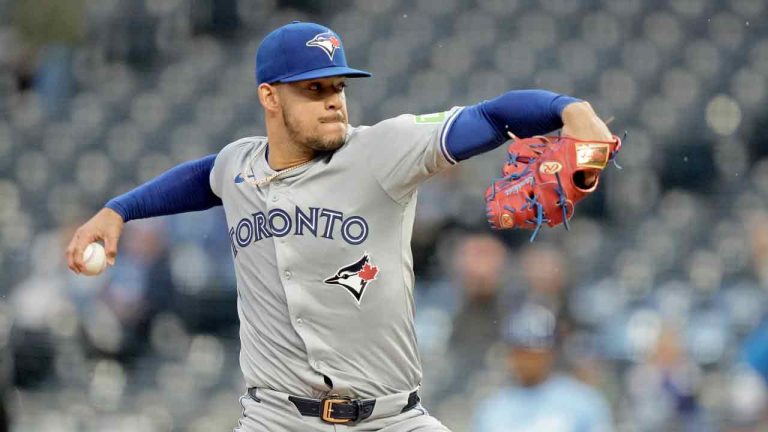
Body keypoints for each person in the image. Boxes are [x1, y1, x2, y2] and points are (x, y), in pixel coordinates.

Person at [65, 21, 614, 432]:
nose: (333, 102)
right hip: (275, 420)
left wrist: (568, 108)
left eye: (338, 88)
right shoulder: (239, 164)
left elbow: (491, 118)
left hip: (391, 419)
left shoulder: (383, 150)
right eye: (313, 90)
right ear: (269, 96)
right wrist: (119, 211)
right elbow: (201, 177)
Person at [473, 303, 614, 432]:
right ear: (511, 355)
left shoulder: (583, 401)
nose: (527, 361)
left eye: (534, 353)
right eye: (521, 352)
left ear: (550, 353)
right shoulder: (492, 408)